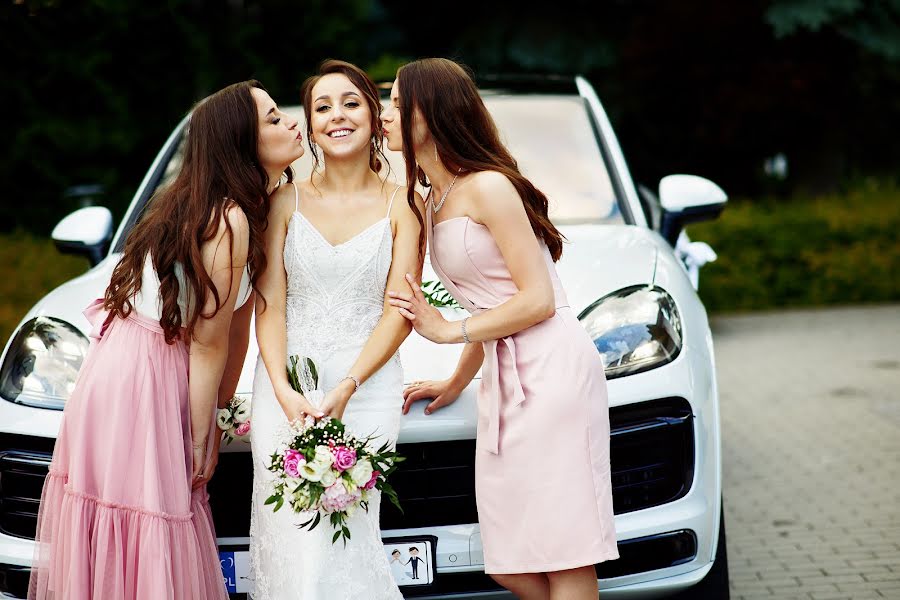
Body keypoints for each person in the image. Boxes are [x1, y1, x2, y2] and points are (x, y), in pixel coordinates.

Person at [28, 80, 304, 600]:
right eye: (273, 118)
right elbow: (207, 341)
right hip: (142, 377)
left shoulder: (243, 208)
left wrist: (218, 408)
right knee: (158, 513)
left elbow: (236, 328)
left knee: (143, 524)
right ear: (241, 142)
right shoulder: (228, 218)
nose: (292, 123)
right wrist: (201, 438)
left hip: (134, 366)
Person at [383, 58, 619, 600]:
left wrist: (447, 333)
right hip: (503, 376)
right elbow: (489, 303)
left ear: (433, 111)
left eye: (397, 102)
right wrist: (456, 380)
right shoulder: (428, 200)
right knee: (509, 561)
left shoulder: (487, 187)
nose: (385, 114)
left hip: (553, 368)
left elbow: (536, 299)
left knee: (565, 550)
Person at [249, 59, 424, 599]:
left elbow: (400, 311)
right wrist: (281, 388)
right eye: (321, 107)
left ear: (374, 115)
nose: (337, 116)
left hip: (366, 389)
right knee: (294, 542)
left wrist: (348, 385)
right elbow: (269, 303)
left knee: (348, 539)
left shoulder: (404, 204)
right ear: (311, 124)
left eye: (350, 102)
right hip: (286, 390)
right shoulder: (284, 200)